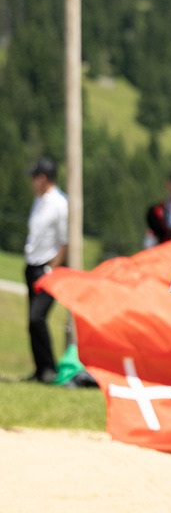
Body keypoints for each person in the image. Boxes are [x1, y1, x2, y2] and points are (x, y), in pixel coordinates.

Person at [23, 158, 68, 383]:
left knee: (36, 317)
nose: (31, 182)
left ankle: (49, 368)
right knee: (31, 322)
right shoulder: (39, 201)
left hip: (47, 269)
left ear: (42, 178)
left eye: (34, 178)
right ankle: (39, 370)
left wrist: (52, 268)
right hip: (32, 266)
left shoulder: (60, 203)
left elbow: (64, 241)